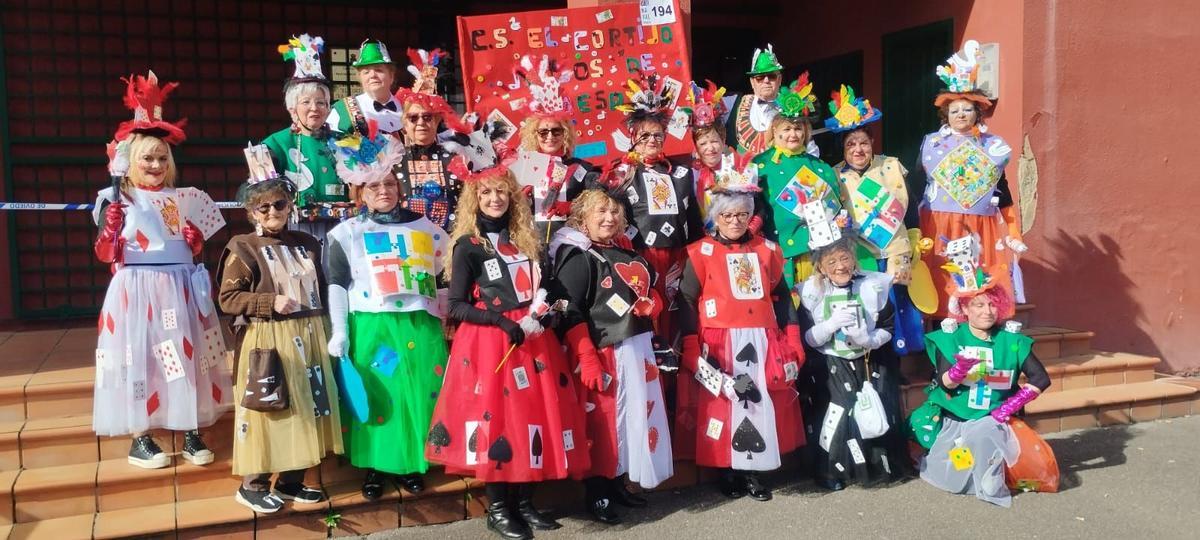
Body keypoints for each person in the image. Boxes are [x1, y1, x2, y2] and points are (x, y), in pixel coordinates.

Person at [425, 159, 591, 540]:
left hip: (533, 341)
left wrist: (547, 316)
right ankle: (499, 508)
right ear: (474, 199)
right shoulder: (469, 246)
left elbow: (546, 292)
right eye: (486, 192)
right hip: (492, 342)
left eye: (501, 191)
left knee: (534, 416)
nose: (494, 198)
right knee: (497, 422)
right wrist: (502, 322)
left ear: (513, 197)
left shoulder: (528, 240)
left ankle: (526, 502)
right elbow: (456, 306)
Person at [92, 71, 231, 469]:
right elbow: (105, 254)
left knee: (182, 355)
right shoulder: (115, 198)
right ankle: (142, 435)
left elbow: (194, 247)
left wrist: (194, 241)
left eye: (160, 157)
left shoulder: (182, 198)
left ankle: (189, 427)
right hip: (136, 288)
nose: (154, 164)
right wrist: (112, 226)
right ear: (128, 163)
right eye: (146, 158)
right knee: (141, 357)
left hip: (179, 287)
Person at [325, 131, 449, 500]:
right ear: (360, 191)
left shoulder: (426, 228)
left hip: (419, 322)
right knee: (381, 396)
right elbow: (336, 283)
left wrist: (444, 318)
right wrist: (339, 331)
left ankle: (413, 462)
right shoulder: (346, 233)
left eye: (391, 183)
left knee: (417, 392)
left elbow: (442, 275)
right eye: (374, 185)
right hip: (373, 324)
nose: (384, 191)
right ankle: (377, 468)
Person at [217, 147, 343, 513]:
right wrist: (267, 302)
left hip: (311, 336)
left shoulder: (306, 243)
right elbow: (227, 297)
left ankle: (291, 479)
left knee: (308, 405)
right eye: (264, 207)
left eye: (280, 205)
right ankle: (253, 484)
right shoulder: (242, 247)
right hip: (269, 340)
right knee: (270, 406)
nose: (273, 212)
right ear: (251, 212)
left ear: (290, 206)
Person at [675, 162, 806, 502]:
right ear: (716, 217)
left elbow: (782, 298)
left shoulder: (768, 250)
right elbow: (686, 299)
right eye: (726, 215)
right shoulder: (699, 253)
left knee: (758, 404)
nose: (734, 222)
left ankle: (754, 472)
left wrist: (793, 341)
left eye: (741, 215)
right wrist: (691, 346)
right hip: (719, 341)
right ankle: (727, 470)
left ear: (751, 216)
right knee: (725, 406)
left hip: (761, 339)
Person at [551, 189, 673, 525]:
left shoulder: (624, 251)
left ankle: (618, 482)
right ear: (583, 218)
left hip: (634, 348)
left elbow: (653, 290)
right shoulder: (576, 256)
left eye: (615, 212)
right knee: (603, 423)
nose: (610, 218)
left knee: (630, 418)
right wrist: (586, 355)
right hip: (602, 351)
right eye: (601, 212)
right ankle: (597, 492)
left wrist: (656, 304)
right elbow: (569, 309)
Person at [909, 238, 1049, 507]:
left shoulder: (1012, 340)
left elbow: (1041, 378)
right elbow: (946, 385)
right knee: (947, 475)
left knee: (983, 434)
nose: (987, 311)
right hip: (957, 417)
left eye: (992, 305)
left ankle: (991, 477)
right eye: (978, 305)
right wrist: (959, 370)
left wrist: (1009, 407)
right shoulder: (949, 338)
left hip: (994, 419)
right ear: (964, 308)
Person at [915, 39, 1025, 318]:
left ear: (977, 112)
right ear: (945, 115)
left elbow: (1003, 189)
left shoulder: (993, 147)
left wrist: (1012, 231)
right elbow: (918, 186)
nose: (961, 114)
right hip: (939, 224)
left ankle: (977, 330)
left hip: (978, 227)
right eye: (954, 110)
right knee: (941, 279)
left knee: (978, 279)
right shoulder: (931, 144)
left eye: (967, 109)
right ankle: (943, 336)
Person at [798, 234, 907, 491]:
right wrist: (830, 325)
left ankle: (875, 467)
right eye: (832, 261)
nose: (840, 266)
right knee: (838, 412)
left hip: (869, 361)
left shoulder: (873, 285)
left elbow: (888, 327)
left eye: (845, 258)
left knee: (873, 408)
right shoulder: (811, 292)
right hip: (832, 364)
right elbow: (808, 337)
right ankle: (833, 470)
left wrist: (867, 338)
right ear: (821, 267)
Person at [601, 72, 703, 339]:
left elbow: (693, 220)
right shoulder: (622, 174)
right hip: (641, 255)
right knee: (649, 316)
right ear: (634, 137)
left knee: (678, 315)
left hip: (678, 257)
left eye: (658, 136)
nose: (652, 142)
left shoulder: (680, 174)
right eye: (645, 136)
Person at [826, 86, 924, 355]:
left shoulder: (890, 166)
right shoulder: (835, 176)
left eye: (863, 143)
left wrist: (915, 236)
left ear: (872, 144)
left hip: (893, 248)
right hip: (860, 251)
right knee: (868, 305)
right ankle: (869, 355)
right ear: (843, 149)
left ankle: (898, 356)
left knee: (897, 302)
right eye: (851, 144)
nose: (858, 150)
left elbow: (911, 205)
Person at [755, 73, 870, 290]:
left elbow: (838, 210)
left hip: (816, 254)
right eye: (787, 129)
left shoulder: (821, 168)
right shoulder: (759, 165)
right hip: (776, 252)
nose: (793, 134)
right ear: (775, 131)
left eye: (798, 128)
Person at [262, 34, 353, 241]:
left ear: (329, 107)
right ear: (292, 108)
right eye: (306, 102)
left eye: (321, 102)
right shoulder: (275, 144)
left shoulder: (345, 142)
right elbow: (264, 196)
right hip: (294, 229)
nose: (314, 109)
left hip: (342, 228)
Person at [512, 54, 596, 242]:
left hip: (570, 242)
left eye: (556, 131)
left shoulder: (580, 168)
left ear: (565, 133)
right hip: (533, 240)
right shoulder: (524, 165)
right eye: (543, 132)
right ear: (535, 134)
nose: (550, 137)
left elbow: (597, 200)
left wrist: (571, 206)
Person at [391, 48, 472, 230]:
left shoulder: (456, 158)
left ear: (437, 121)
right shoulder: (394, 161)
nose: (421, 123)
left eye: (427, 117)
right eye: (413, 118)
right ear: (404, 123)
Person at [327, 39, 404, 136]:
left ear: (391, 76)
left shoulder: (408, 107)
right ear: (360, 78)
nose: (372, 75)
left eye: (379, 70)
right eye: (366, 72)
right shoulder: (342, 111)